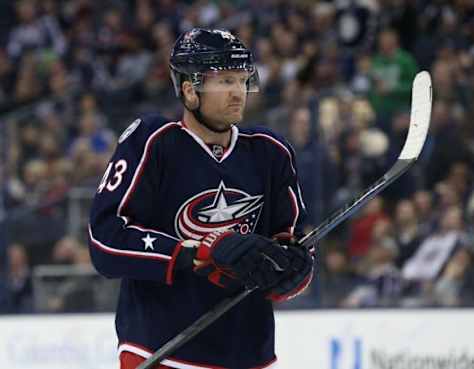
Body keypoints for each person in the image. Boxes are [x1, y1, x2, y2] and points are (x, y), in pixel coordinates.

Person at [88, 28, 314, 369]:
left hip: (248, 354)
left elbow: (294, 241)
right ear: (190, 90)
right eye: (225, 81)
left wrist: (292, 271)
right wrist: (193, 252)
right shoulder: (152, 142)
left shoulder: (270, 152)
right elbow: (104, 241)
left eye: (242, 80)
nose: (238, 92)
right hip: (162, 351)